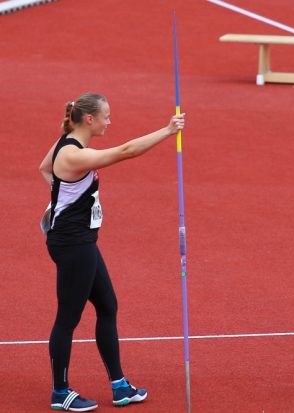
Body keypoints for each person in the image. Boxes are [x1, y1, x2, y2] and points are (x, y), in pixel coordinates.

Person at [39, 92, 185, 411]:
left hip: (80, 241)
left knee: (108, 306)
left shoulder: (66, 143)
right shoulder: (74, 155)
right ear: (89, 119)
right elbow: (126, 151)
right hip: (73, 244)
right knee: (68, 317)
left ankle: (119, 385)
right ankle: (60, 392)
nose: (109, 120)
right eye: (106, 115)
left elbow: (44, 169)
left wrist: (59, 201)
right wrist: (167, 130)